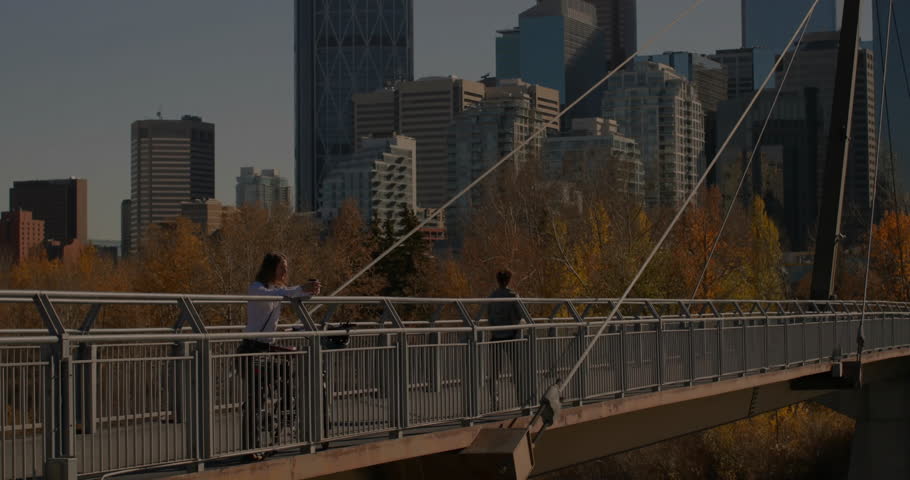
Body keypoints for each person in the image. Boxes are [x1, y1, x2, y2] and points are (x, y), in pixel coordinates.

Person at [240, 252, 319, 459]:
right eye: (282, 267)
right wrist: (300, 289)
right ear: (270, 268)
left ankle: (278, 417)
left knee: (286, 375)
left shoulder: (279, 290)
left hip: (265, 350)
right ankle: (252, 448)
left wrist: (310, 291)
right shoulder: (256, 288)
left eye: (286, 267)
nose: (285, 271)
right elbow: (276, 296)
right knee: (257, 397)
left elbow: (293, 294)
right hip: (250, 350)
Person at [486, 269, 530, 409]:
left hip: (496, 337)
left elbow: (490, 317)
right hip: (511, 336)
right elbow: (524, 315)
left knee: (494, 372)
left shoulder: (492, 297)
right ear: (509, 280)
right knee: (517, 370)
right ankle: (521, 401)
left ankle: (495, 402)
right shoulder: (513, 296)